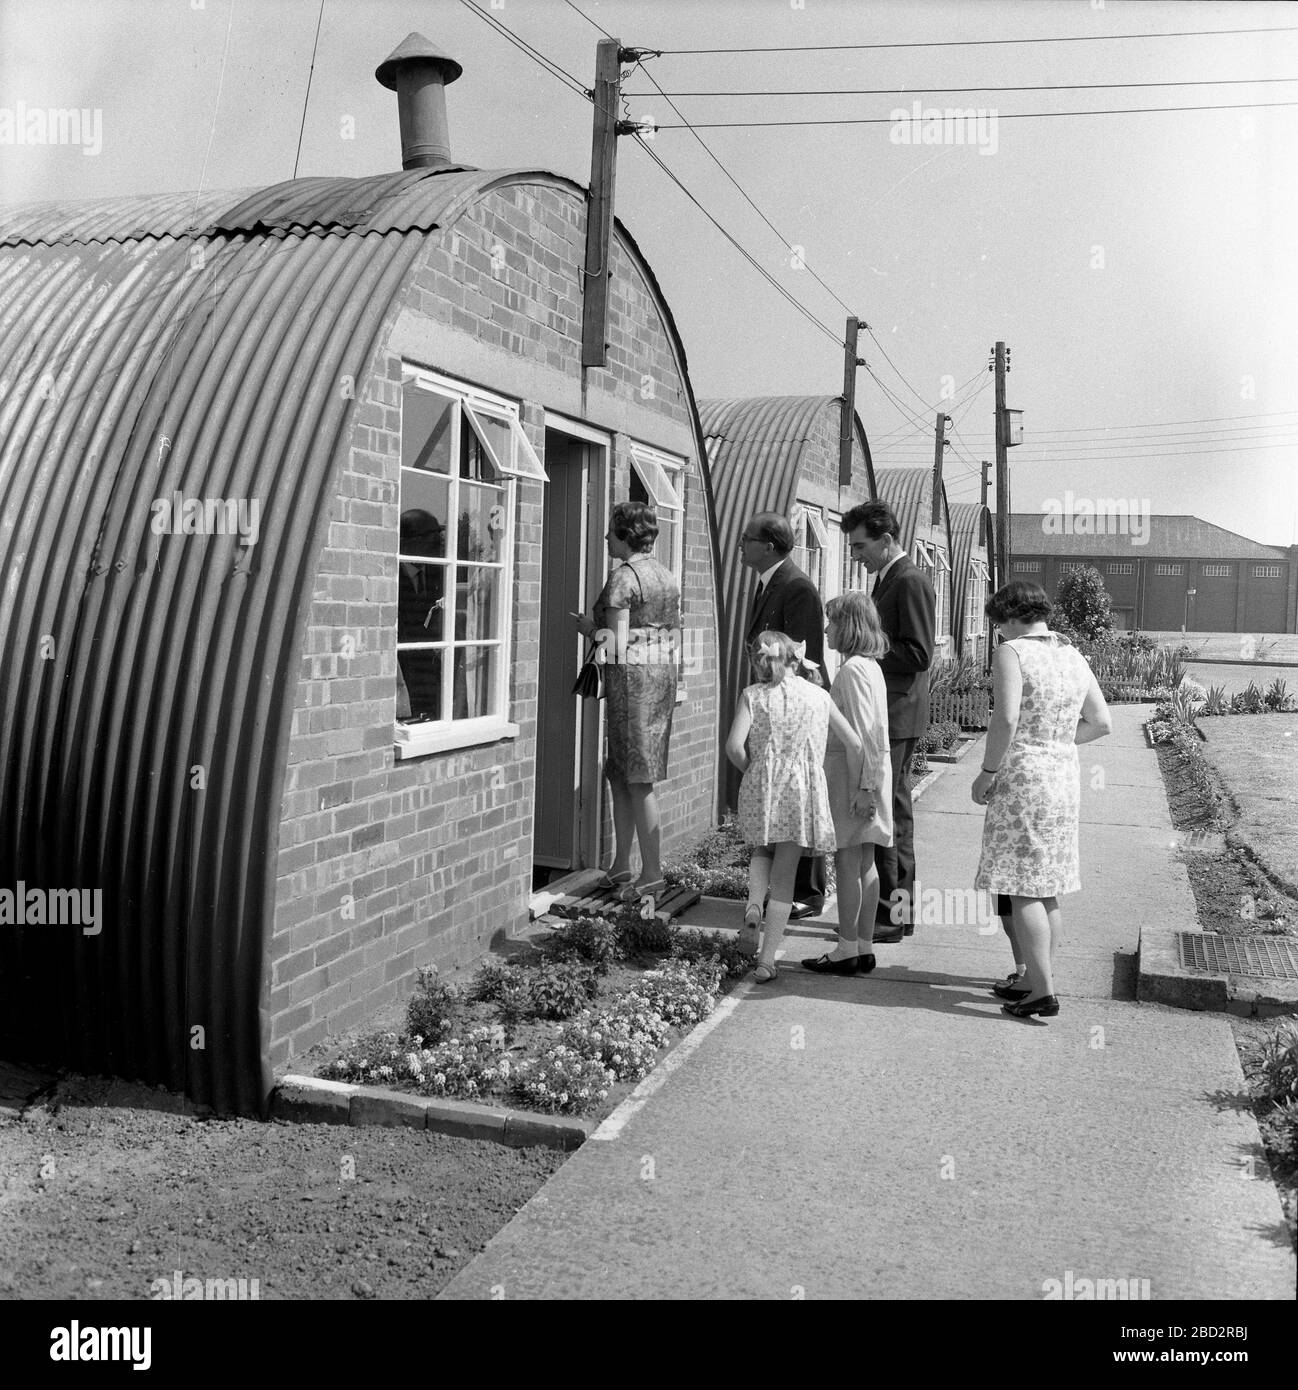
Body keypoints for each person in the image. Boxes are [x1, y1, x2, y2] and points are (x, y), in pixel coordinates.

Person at [972, 581, 1112, 1019]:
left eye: (999, 623)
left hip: (1022, 779)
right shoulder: (1072, 654)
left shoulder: (1013, 653)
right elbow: (1101, 721)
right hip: (1062, 777)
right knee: (1046, 886)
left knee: (1019, 885)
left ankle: (1042, 991)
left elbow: (1007, 717)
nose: (999, 631)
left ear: (1012, 616)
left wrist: (987, 772)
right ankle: (1036, 978)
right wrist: (1055, 740)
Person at [727, 630, 864, 983]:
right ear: (795, 658)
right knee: (786, 878)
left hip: (763, 785)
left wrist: (754, 771)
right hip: (802, 792)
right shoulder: (818, 696)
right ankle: (767, 960)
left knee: (762, 847)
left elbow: (733, 747)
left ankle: (754, 904)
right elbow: (853, 741)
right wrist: (854, 784)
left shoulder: (753, 696)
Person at [575, 501, 681, 911]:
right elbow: (671, 633)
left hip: (631, 686)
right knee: (620, 773)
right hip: (660, 679)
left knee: (635, 777)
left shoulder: (623, 578)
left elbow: (615, 643)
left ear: (623, 534)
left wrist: (589, 629)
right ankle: (621, 863)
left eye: (610, 531)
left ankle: (651, 871)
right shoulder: (666, 575)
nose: (605, 538)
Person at [840, 501, 935, 943]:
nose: (855, 554)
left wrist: (866, 647)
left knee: (890, 814)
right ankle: (896, 913)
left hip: (897, 715)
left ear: (885, 539)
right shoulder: (887, 578)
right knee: (890, 812)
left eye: (860, 545)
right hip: (889, 711)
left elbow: (918, 654)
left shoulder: (909, 580)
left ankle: (893, 916)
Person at [738, 511, 827, 920]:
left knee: (797, 794)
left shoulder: (797, 587)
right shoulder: (769, 582)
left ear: (769, 545)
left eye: (747, 538)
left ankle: (807, 891)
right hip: (776, 703)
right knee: (786, 805)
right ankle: (783, 889)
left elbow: (803, 657)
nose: (741, 543)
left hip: (792, 710)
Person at [802, 591, 894, 977]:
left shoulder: (853, 670)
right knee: (865, 863)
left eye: (832, 622)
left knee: (847, 862)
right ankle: (863, 945)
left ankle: (846, 949)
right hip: (869, 775)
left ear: (849, 626)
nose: (826, 629)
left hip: (853, 777)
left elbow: (862, 733)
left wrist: (862, 789)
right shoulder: (869, 666)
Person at [397, 509, 446, 720]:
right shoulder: (392, 576)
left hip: (427, 674)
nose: (441, 546)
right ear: (411, 543)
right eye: (434, 541)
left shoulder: (438, 573)